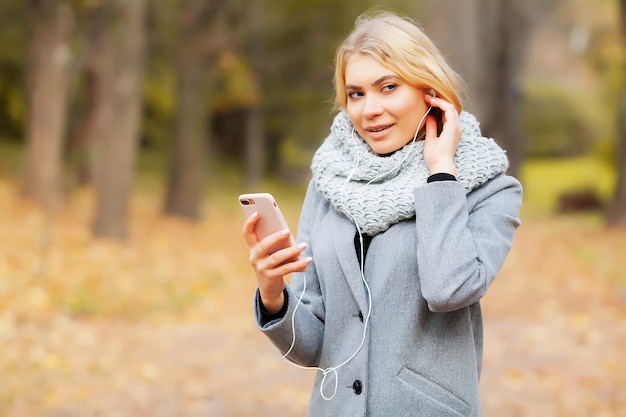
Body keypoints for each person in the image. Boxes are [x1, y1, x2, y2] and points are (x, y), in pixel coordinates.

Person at [241, 11, 522, 417]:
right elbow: (312, 346)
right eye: (356, 93)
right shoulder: (329, 185)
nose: (369, 109)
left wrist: (441, 173)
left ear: (430, 91)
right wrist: (272, 294)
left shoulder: (489, 189)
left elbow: (449, 290)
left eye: (388, 87)